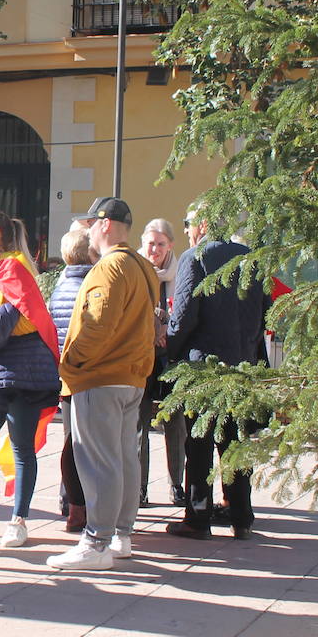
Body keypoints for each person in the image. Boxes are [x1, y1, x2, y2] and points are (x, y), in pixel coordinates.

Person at [47, 197, 157, 571]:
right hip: (130, 376)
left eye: (91, 224)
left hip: (99, 376)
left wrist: (71, 363)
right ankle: (120, 535)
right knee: (124, 459)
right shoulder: (142, 266)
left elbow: (97, 323)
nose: (88, 231)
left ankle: (97, 542)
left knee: (99, 463)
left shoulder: (108, 269)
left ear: (105, 225)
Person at [164, 210, 270, 541]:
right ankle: (241, 516)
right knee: (235, 442)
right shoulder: (249, 259)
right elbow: (265, 310)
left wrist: (169, 350)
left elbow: (182, 316)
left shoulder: (195, 257)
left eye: (187, 224)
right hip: (243, 363)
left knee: (199, 443)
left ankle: (197, 517)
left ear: (202, 226)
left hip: (203, 367)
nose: (186, 231)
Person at [0, 209, 62, 549]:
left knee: (22, 447)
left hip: (23, 371)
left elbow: (0, 324)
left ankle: (18, 520)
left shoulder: (13, 270)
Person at [48, 227, 96, 533]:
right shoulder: (91, 285)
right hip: (88, 374)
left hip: (65, 374)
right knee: (87, 444)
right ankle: (85, 505)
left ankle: (69, 500)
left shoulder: (60, 286)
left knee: (69, 439)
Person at [137, 217, 185, 506]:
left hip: (171, 353)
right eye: (150, 243)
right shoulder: (136, 269)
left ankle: (176, 483)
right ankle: (139, 487)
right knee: (139, 422)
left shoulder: (181, 270)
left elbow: (186, 307)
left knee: (174, 421)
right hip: (142, 354)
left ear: (170, 245)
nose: (154, 250)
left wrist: (170, 329)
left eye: (160, 244)